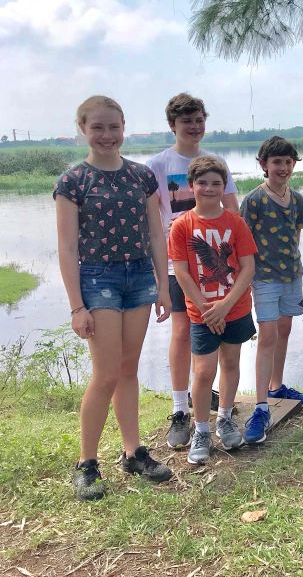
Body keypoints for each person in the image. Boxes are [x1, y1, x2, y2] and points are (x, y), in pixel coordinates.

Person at [55, 95, 173, 501]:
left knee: (127, 369)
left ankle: (132, 452)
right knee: (105, 374)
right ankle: (86, 463)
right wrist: (76, 306)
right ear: (83, 130)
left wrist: (163, 284)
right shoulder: (73, 182)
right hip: (97, 277)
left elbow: (157, 233)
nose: (107, 135)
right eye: (97, 128)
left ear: (124, 127)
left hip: (139, 274)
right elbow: (68, 248)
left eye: (113, 127)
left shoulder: (142, 177)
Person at [146, 93, 239, 449]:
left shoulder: (215, 163)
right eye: (187, 121)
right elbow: (152, 220)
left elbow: (232, 211)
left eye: (199, 120)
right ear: (173, 125)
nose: (194, 127)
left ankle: (214, 403)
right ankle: (180, 409)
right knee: (183, 332)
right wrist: (159, 273)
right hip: (177, 263)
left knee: (220, 335)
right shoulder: (158, 164)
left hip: (215, 267)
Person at [169, 156, 258, 464]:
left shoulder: (236, 222)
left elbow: (247, 268)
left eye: (216, 183)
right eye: (203, 183)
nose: (209, 188)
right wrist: (207, 308)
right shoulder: (182, 225)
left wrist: (225, 305)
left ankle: (224, 418)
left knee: (231, 363)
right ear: (191, 186)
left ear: (225, 187)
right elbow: (181, 271)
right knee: (204, 371)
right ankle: (201, 430)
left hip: (235, 307)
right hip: (202, 313)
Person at [240, 137, 303, 444]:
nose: (282, 168)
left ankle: (276, 385)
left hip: (292, 275)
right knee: (267, 335)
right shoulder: (254, 200)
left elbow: (294, 237)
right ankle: (260, 407)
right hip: (265, 278)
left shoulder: (297, 200)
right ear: (263, 165)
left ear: (294, 164)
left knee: (284, 330)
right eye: (276, 162)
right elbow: (243, 243)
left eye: (288, 162)